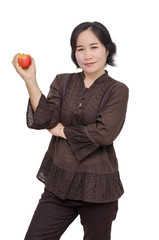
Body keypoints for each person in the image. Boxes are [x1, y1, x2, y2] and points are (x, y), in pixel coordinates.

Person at [12, 21, 129, 240]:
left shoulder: (118, 90)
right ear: (74, 53)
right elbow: (46, 118)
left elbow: (104, 133)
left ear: (107, 48)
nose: (87, 55)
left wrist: (62, 131)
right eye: (80, 49)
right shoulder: (62, 81)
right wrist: (30, 80)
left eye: (94, 47)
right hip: (59, 185)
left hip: (99, 190)